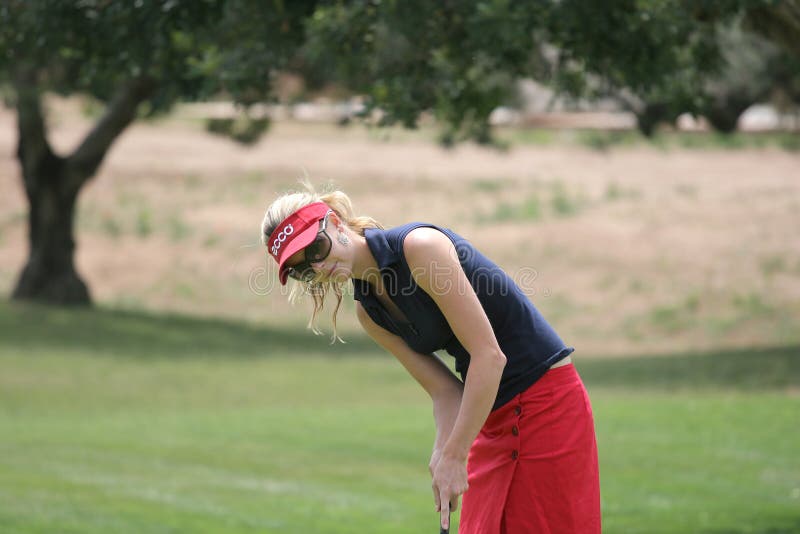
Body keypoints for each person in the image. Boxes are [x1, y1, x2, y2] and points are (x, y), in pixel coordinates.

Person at [261, 183, 601, 533]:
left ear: (334, 221)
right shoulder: (369, 313)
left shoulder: (420, 248)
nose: (317, 265)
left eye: (316, 247)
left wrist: (456, 454)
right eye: (303, 269)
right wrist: (442, 453)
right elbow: (445, 393)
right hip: (489, 411)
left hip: (547, 405)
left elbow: (488, 356)